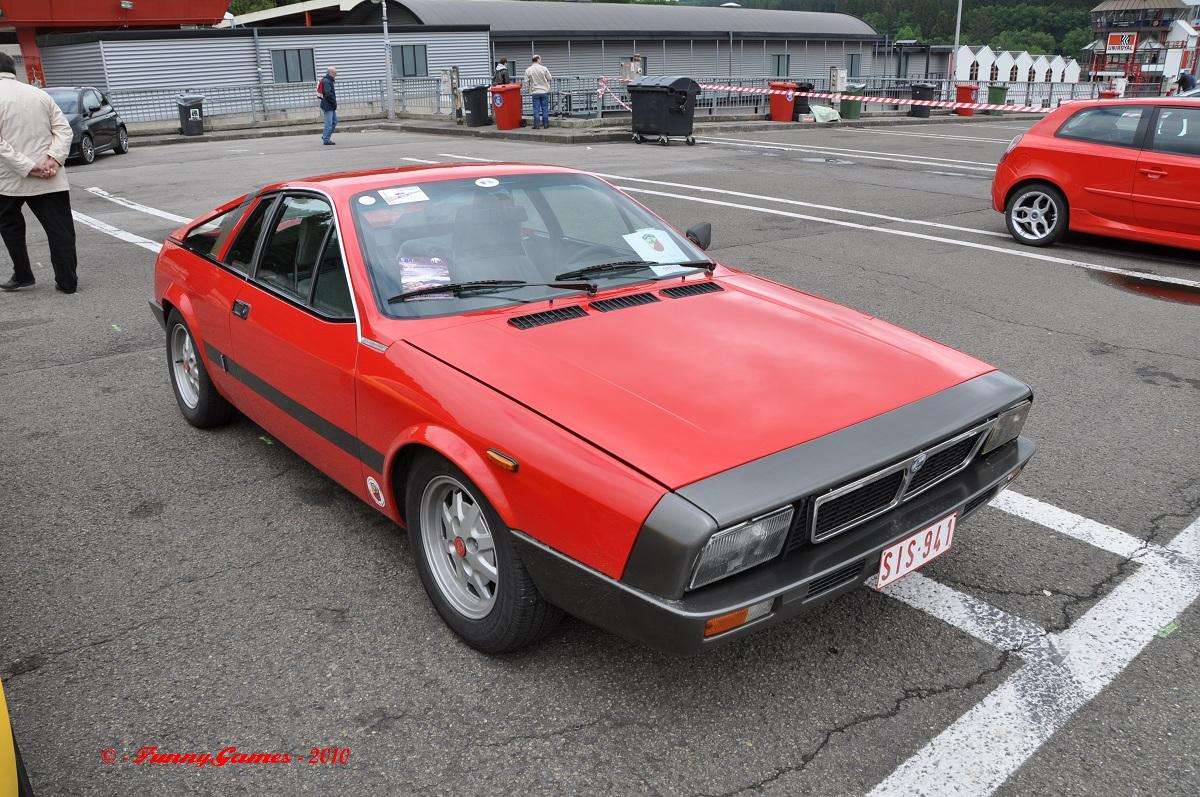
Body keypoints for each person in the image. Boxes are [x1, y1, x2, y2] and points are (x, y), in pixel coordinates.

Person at [0, 52, 77, 294]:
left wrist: (27, 166)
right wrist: (52, 158)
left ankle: (23, 274)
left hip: (9, 179)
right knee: (60, 229)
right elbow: (64, 130)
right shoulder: (39, 94)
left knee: (10, 226)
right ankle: (67, 281)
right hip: (50, 175)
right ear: (12, 69)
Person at [523, 55, 552, 129]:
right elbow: (549, 78)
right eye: (540, 59)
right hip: (544, 91)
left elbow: (526, 82)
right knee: (545, 108)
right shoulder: (544, 68)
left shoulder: (528, 70)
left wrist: (528, 88)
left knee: (536, 109)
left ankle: (536, 125)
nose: (541, 61)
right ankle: (546, 125)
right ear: (538, 59)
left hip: (535, 92)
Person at [319, 66, 338, 145]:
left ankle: (325, 136)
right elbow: (328, 93)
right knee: (329, 123)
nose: (336, 74)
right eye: (335, 73)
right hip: (328, 105)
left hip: (330, 105)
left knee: (334, 121)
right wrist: (334, 102)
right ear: (330, 73)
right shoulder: (327, 81)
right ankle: (326, 139)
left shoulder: (329, 80)